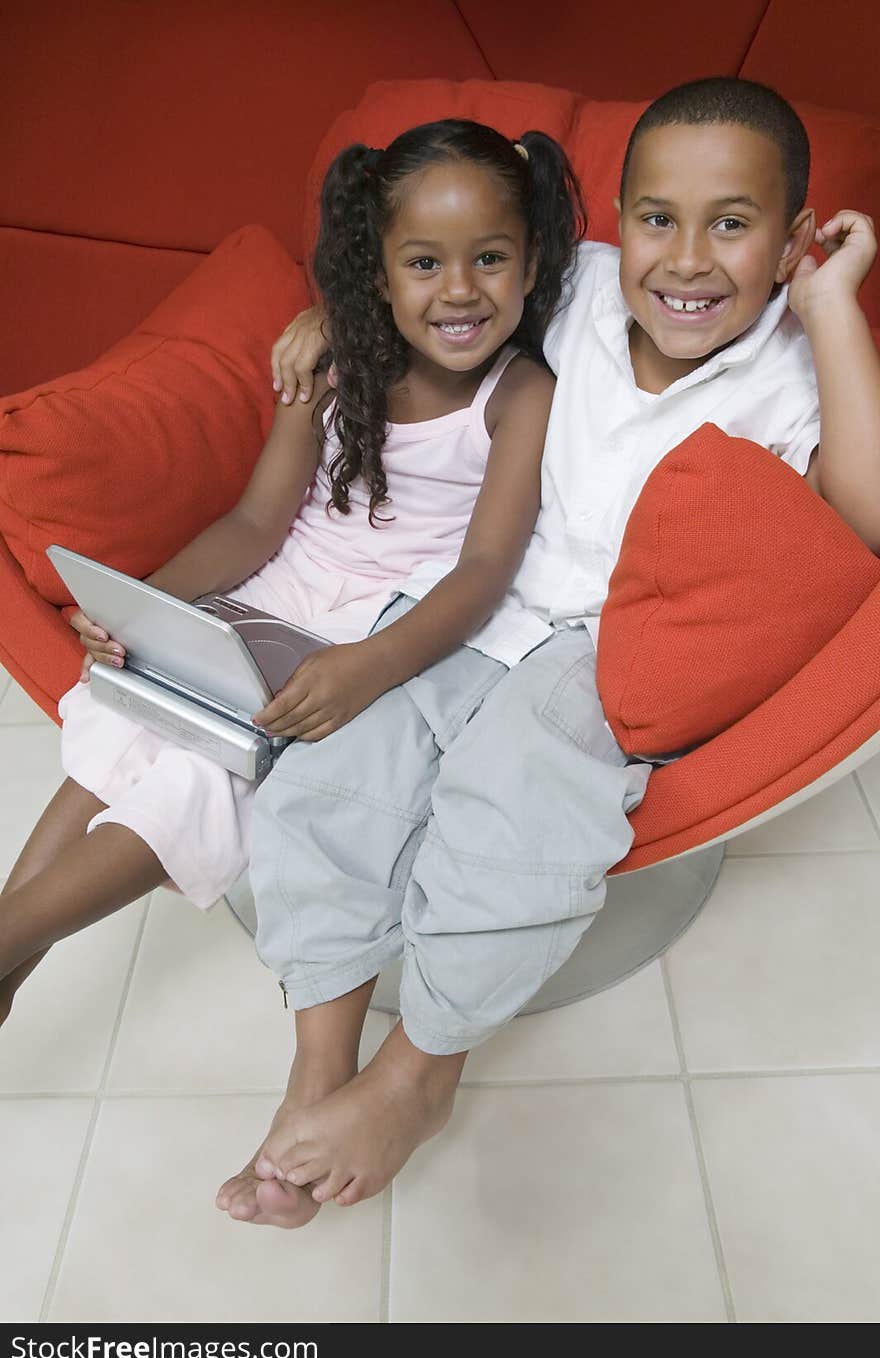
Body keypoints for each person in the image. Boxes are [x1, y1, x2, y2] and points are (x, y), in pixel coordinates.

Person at [218, 77, 880, 1229]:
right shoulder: (566, 287)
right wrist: (336, 317)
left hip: (606, 646)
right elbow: (447, 283)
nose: (686, 259)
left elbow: (867, 516)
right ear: (609, 225)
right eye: (656, 220)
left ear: (789, 242)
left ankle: (418, 1073)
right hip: (476, 598)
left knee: (508, 816)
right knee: (329, 785)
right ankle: (318, 1073)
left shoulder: (789, 368)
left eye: (733, 224)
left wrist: (831, 308)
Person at [0, 117, 586, 1029]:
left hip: (370, 633)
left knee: (206, 775)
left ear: (534, 258)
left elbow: (482, 573)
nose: (460, 290)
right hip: (274, 597)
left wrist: (369, 667)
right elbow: (253, 522)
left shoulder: (521, 394)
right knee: (127, 724)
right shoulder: (332, 360)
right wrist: (148, 605)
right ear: (379, 270)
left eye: (492, 258)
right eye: (424, 263)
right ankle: (9, 964)